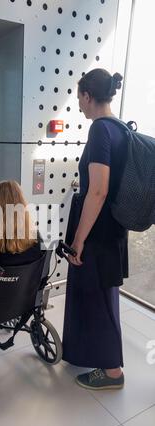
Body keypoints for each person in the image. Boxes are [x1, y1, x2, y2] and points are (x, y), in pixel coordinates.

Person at [62, 68, 129, 390]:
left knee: (97, 299)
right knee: (102, 296)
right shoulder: (121, 129)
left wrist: (78, 240)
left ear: (88, 96)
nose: (79, 106)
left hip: (97, 235)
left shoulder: (100, 130)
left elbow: (99, 190)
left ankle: (112, 371)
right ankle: (95, 356)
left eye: (79, 99)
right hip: (114, 229)